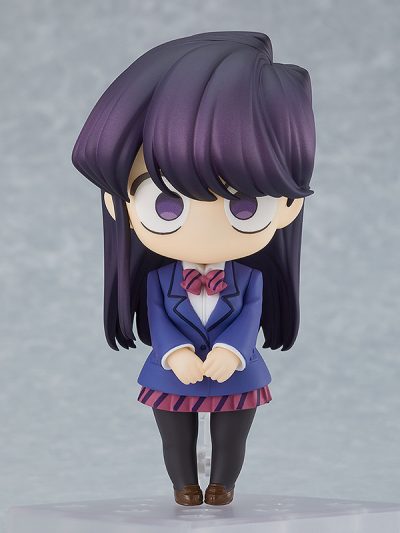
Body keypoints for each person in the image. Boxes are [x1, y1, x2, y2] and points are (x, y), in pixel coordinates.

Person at [72, 31, 316, 506]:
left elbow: (248, 318)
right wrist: (176, 353)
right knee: (174, 437)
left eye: (244, 204)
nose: (204, 224)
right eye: (166, 204)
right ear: (116, 202)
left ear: (288, 206)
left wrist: (231, 351)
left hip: (237, 372)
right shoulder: (158, 280)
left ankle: (223, 483)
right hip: (171, 372)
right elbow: (160, 319)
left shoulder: (252, 279)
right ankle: (184, 484)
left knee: (232, 437)